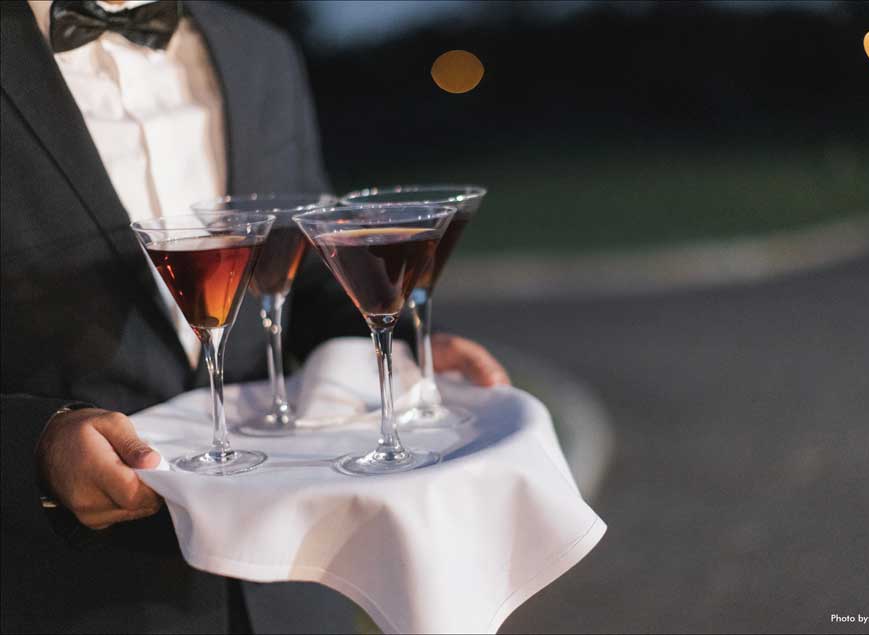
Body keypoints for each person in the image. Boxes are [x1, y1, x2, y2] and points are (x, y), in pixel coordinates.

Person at [0, 1, 509, 632]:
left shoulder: (261, 54)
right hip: (70, 596)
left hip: (292, 587)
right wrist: (35, 447)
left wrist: (405, 347)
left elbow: (308, 272)